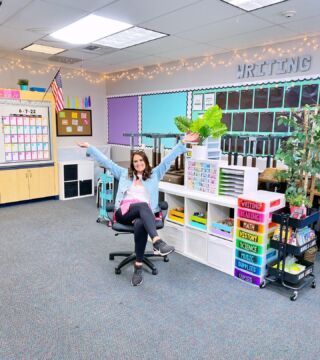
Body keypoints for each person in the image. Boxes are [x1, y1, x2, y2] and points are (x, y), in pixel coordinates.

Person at [77, 132, 198, 286]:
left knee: (141, 222)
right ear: (132, 164)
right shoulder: (123, 174)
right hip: (124, 212)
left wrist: (183, 142)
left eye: (141, 160)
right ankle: (157, 241)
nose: (138, 163)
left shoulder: (154, 174)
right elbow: (106, 162)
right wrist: (90, 147)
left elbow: (168, 160)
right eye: (135, 161)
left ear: (146, 162)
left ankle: (138, 266)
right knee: (142, 205)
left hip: (144, 215)